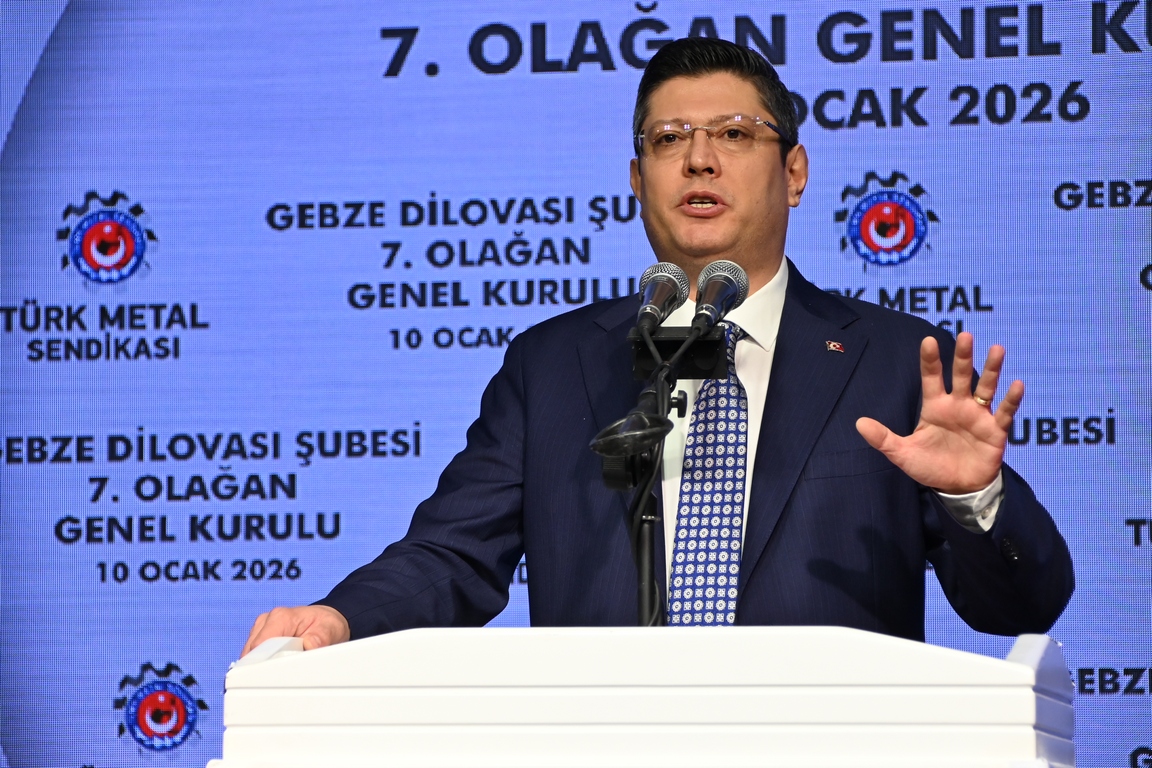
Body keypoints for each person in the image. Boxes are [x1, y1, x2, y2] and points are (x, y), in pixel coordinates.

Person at [243, 37, 1073, 655]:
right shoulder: (552, 367)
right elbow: (452, 554)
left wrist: (976, 498)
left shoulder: (893, 362)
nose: (699, 159)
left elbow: (1021, 607)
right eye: (669, 139)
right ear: (637, 180)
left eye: (735, 135)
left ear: (795, 172)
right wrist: (339, 617)